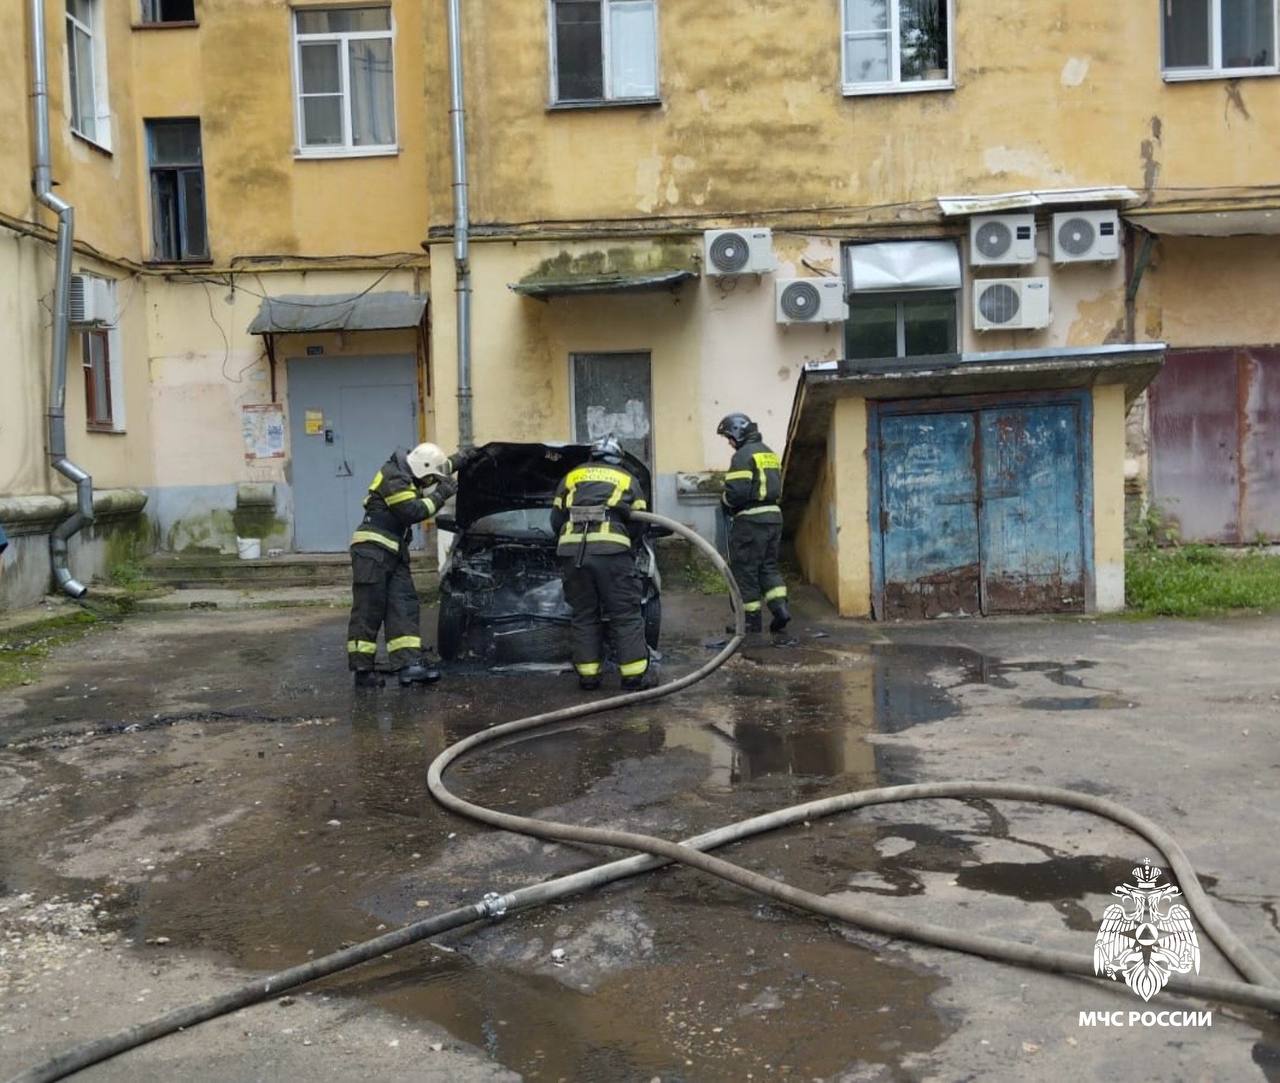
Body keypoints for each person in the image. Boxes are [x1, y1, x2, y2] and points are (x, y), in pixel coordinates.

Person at [347, 442, 478, 688]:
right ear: (421, 469)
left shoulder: (411, 470)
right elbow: (413, 511)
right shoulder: (394, 477)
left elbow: (438, 467)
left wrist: (463, 458)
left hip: (393, 552)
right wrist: (441, 494)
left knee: (404, 605)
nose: (430, 482)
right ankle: (362, 670)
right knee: (368, 610)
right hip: (371, 551)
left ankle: (408, 666)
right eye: (429, 478)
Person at [550, 436, 650, 692]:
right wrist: (628, 542)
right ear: (618, 457)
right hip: (611, 553)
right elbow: (640, 520)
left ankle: (589, 677)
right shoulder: (627, 478)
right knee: (625, 614)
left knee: (584, 615)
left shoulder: (571, 477)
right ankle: (632, 678)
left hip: (574, 554)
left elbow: (556, 518)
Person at [717, 412, 790, 634]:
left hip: (751, 520)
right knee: (768, 566)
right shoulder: (768, 453)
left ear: (738, 433)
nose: (729, 442)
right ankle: (781, 609)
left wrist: (724, 500)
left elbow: (736, 493)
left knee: (744, 570)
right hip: (774, 517)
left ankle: (750, 621)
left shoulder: (742, 456)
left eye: (729, 437)